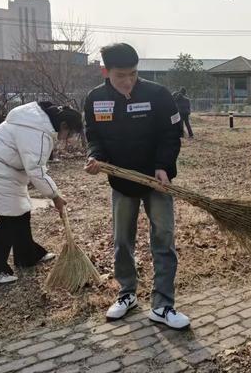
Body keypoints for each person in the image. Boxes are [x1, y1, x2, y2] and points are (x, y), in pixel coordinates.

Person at [83, 43, 190, 330]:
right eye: (121, 75)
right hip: (121, 183)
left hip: (157, 181)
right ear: (106, 71)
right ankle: (127, 294)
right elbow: (93, 135)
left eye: (133, 73)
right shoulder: (95, 99)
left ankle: (163, 304)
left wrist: (163, 166)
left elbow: (171, 133)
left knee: (163, 240)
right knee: (122, 242)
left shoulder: (158, 95)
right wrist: (96, 157)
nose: (128, 81)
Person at [0, 101, 82, 284]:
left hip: (5, 169)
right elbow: (36, 170)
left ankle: (27, 256)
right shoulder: (37, 132)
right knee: (9, 219)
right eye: (69, 133)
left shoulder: (37, 120)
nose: (67, 138)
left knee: (21, 213)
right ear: (63, 126)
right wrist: (55, 196)